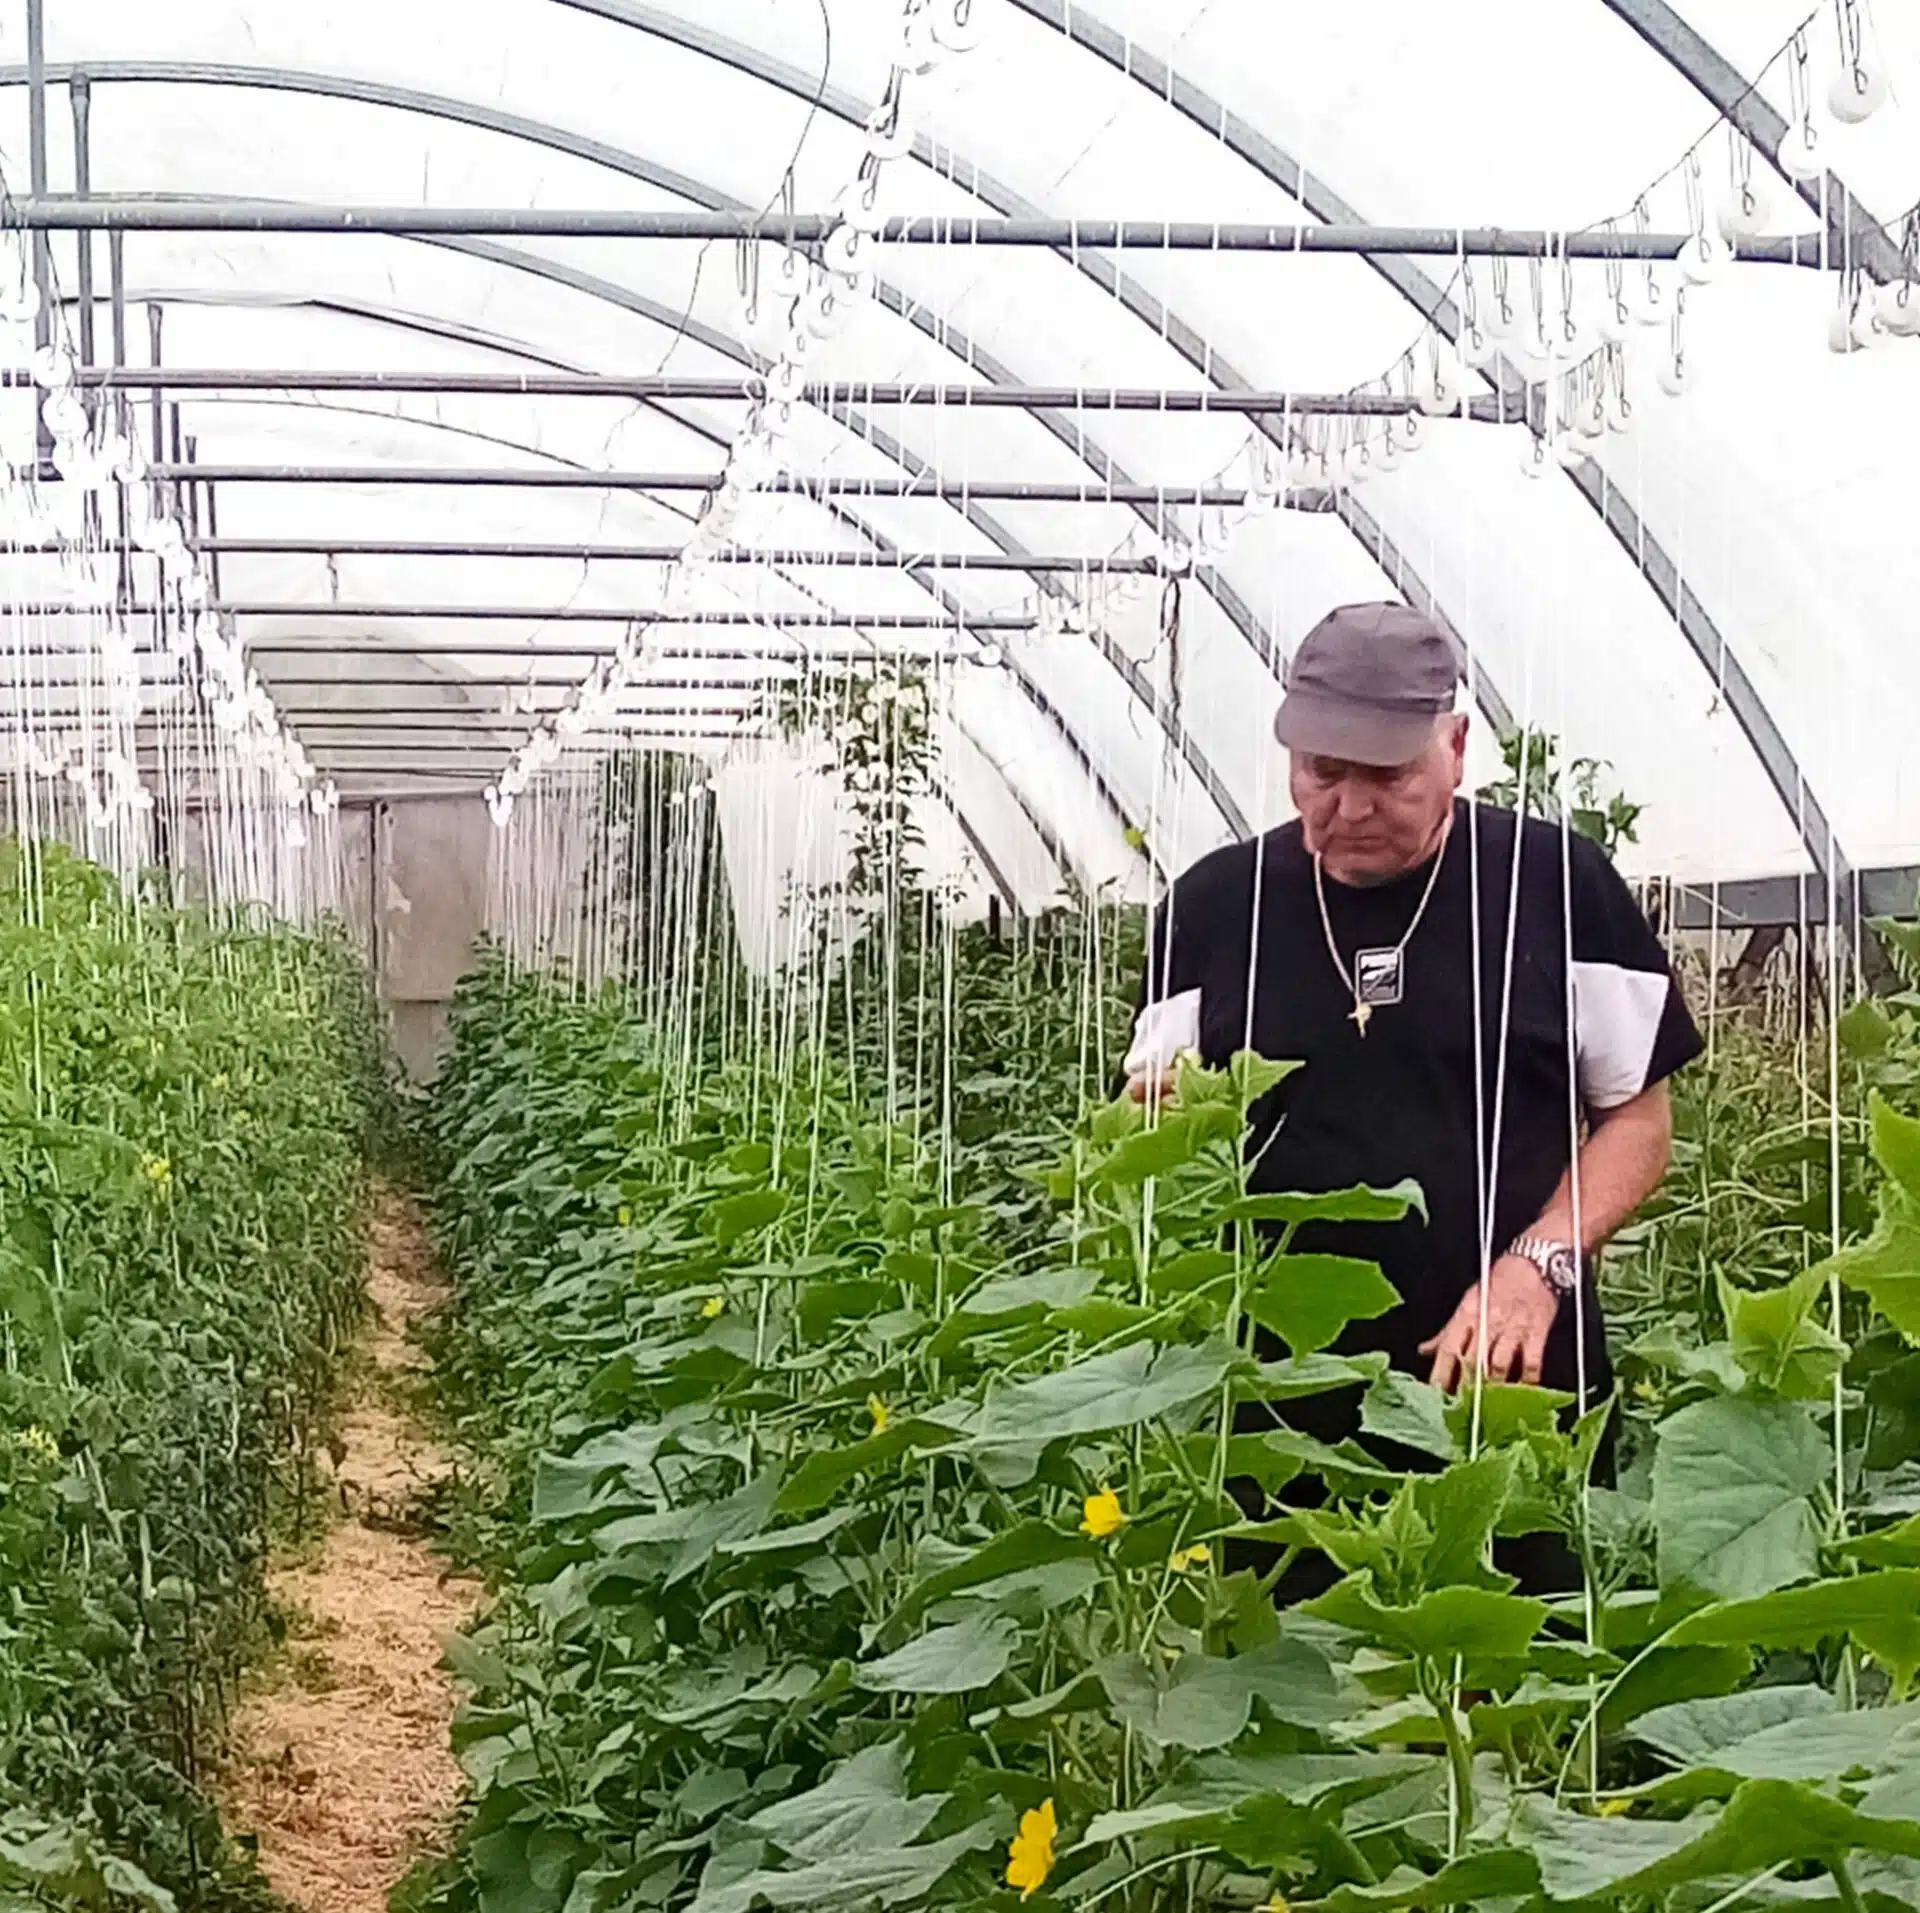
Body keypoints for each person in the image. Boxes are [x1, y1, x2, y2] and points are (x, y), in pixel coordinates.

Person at [1124, 601, 1702, 1591]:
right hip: (1279, 1396)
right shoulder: (1215, 908)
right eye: (1322, 773)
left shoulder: (1555, 886)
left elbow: (1638, 1123)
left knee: (1521, 1689)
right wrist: (1161, 1117)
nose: (1348, 806)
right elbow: (1146, 1131)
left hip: (1506, 1374)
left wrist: (1539, 1263)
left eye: (1387, 775)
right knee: (1298, 1694)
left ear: (1457, 746)